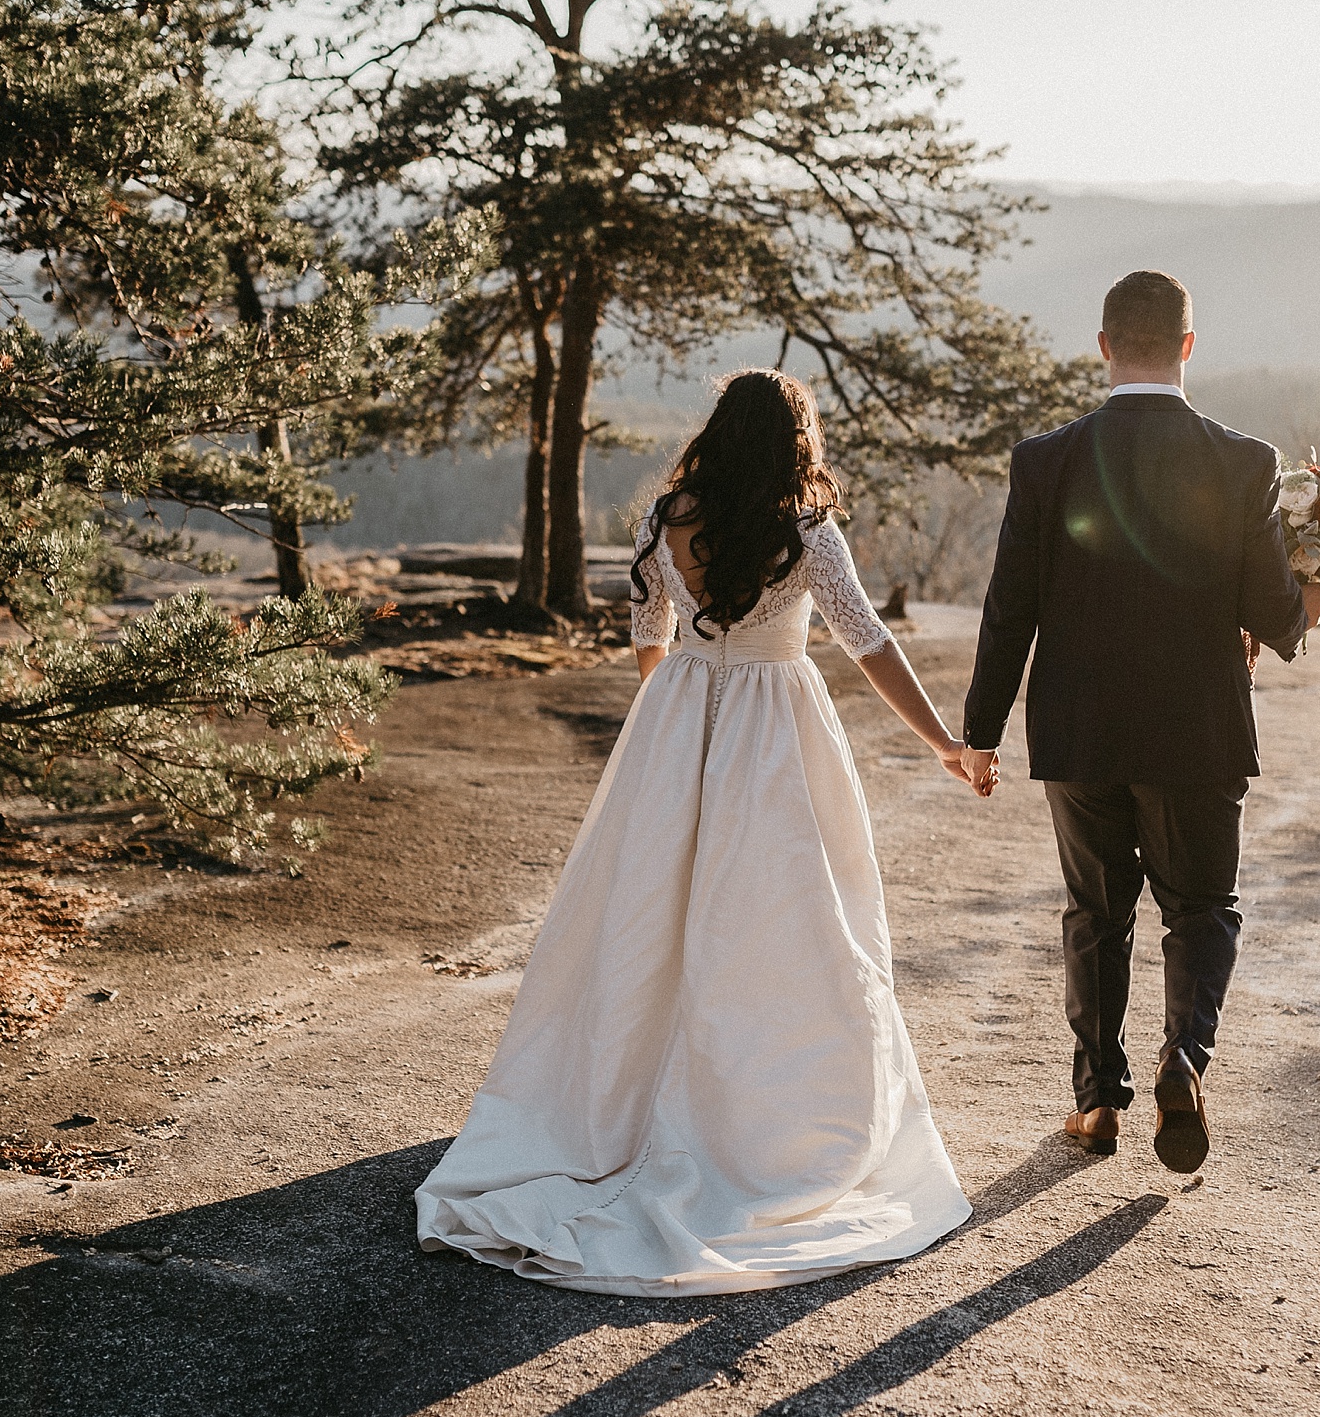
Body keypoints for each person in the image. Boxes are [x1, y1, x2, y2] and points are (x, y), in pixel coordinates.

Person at [414, 369, 976, 1296]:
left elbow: (650, 632)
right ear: (793, 442)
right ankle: (752, 1120)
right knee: (779, 923)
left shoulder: (666, 516)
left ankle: (620, 1105)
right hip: (776, 730)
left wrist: (674, 723)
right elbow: (868, 642)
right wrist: (946, 743)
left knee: (648, 910)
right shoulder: (806, 532)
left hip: (675, 715)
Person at [960, 270, 1320, 1175]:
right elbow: (1272, 614)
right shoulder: (1245, 462)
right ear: (1189, 348)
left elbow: (1011, 605)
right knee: (1201, 906)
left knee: (1096, 909)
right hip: (1197, 729)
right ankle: (1184, 1060)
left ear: (1105, 347)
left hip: (1079, 730)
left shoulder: (1045, 460)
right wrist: (1312, 596)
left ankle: (1094, 1101)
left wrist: (980, 731)